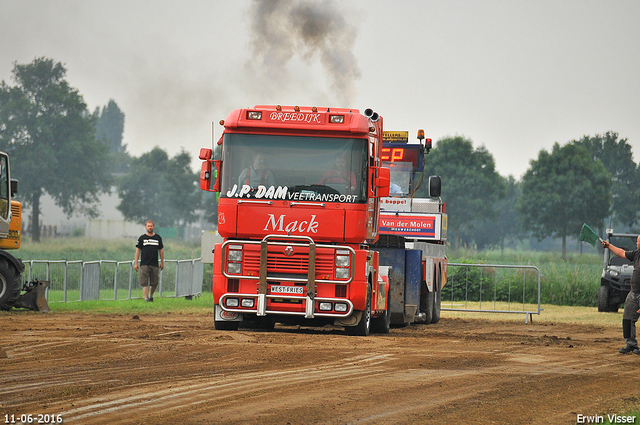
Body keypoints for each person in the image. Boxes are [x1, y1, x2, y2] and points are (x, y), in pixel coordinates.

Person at [601, 236, 640, 354]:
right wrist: (608, 246)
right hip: (633, 293)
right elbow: (622, 253)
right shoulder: (637, 254)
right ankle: (631, 344)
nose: (636, 242)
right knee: (627, 319)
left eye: (638, 241)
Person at [134, 220, 164, 302]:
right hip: (144, 263)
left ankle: (151, 295)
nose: (150, 227)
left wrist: (162, 262)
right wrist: (136, 263)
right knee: (144, 282)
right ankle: (146, 298)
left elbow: (161, 251)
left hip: (154, 264)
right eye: (148, 226)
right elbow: (137, 251)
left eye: (151, 226)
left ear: (153, 227)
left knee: (154, 282)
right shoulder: (142, 238)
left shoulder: (158, 238)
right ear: (146, 227)